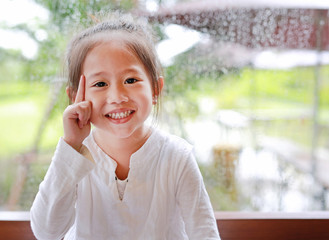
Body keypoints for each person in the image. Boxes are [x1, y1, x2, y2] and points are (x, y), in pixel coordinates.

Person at [30, 12, 220, 240]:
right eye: (100, 83)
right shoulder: (72, 158)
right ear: (75, 97)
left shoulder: (177, 157)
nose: (117, 96)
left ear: (155, 90)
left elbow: (205, 234)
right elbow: (46, 232)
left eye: (131, 80)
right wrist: (71, 145)